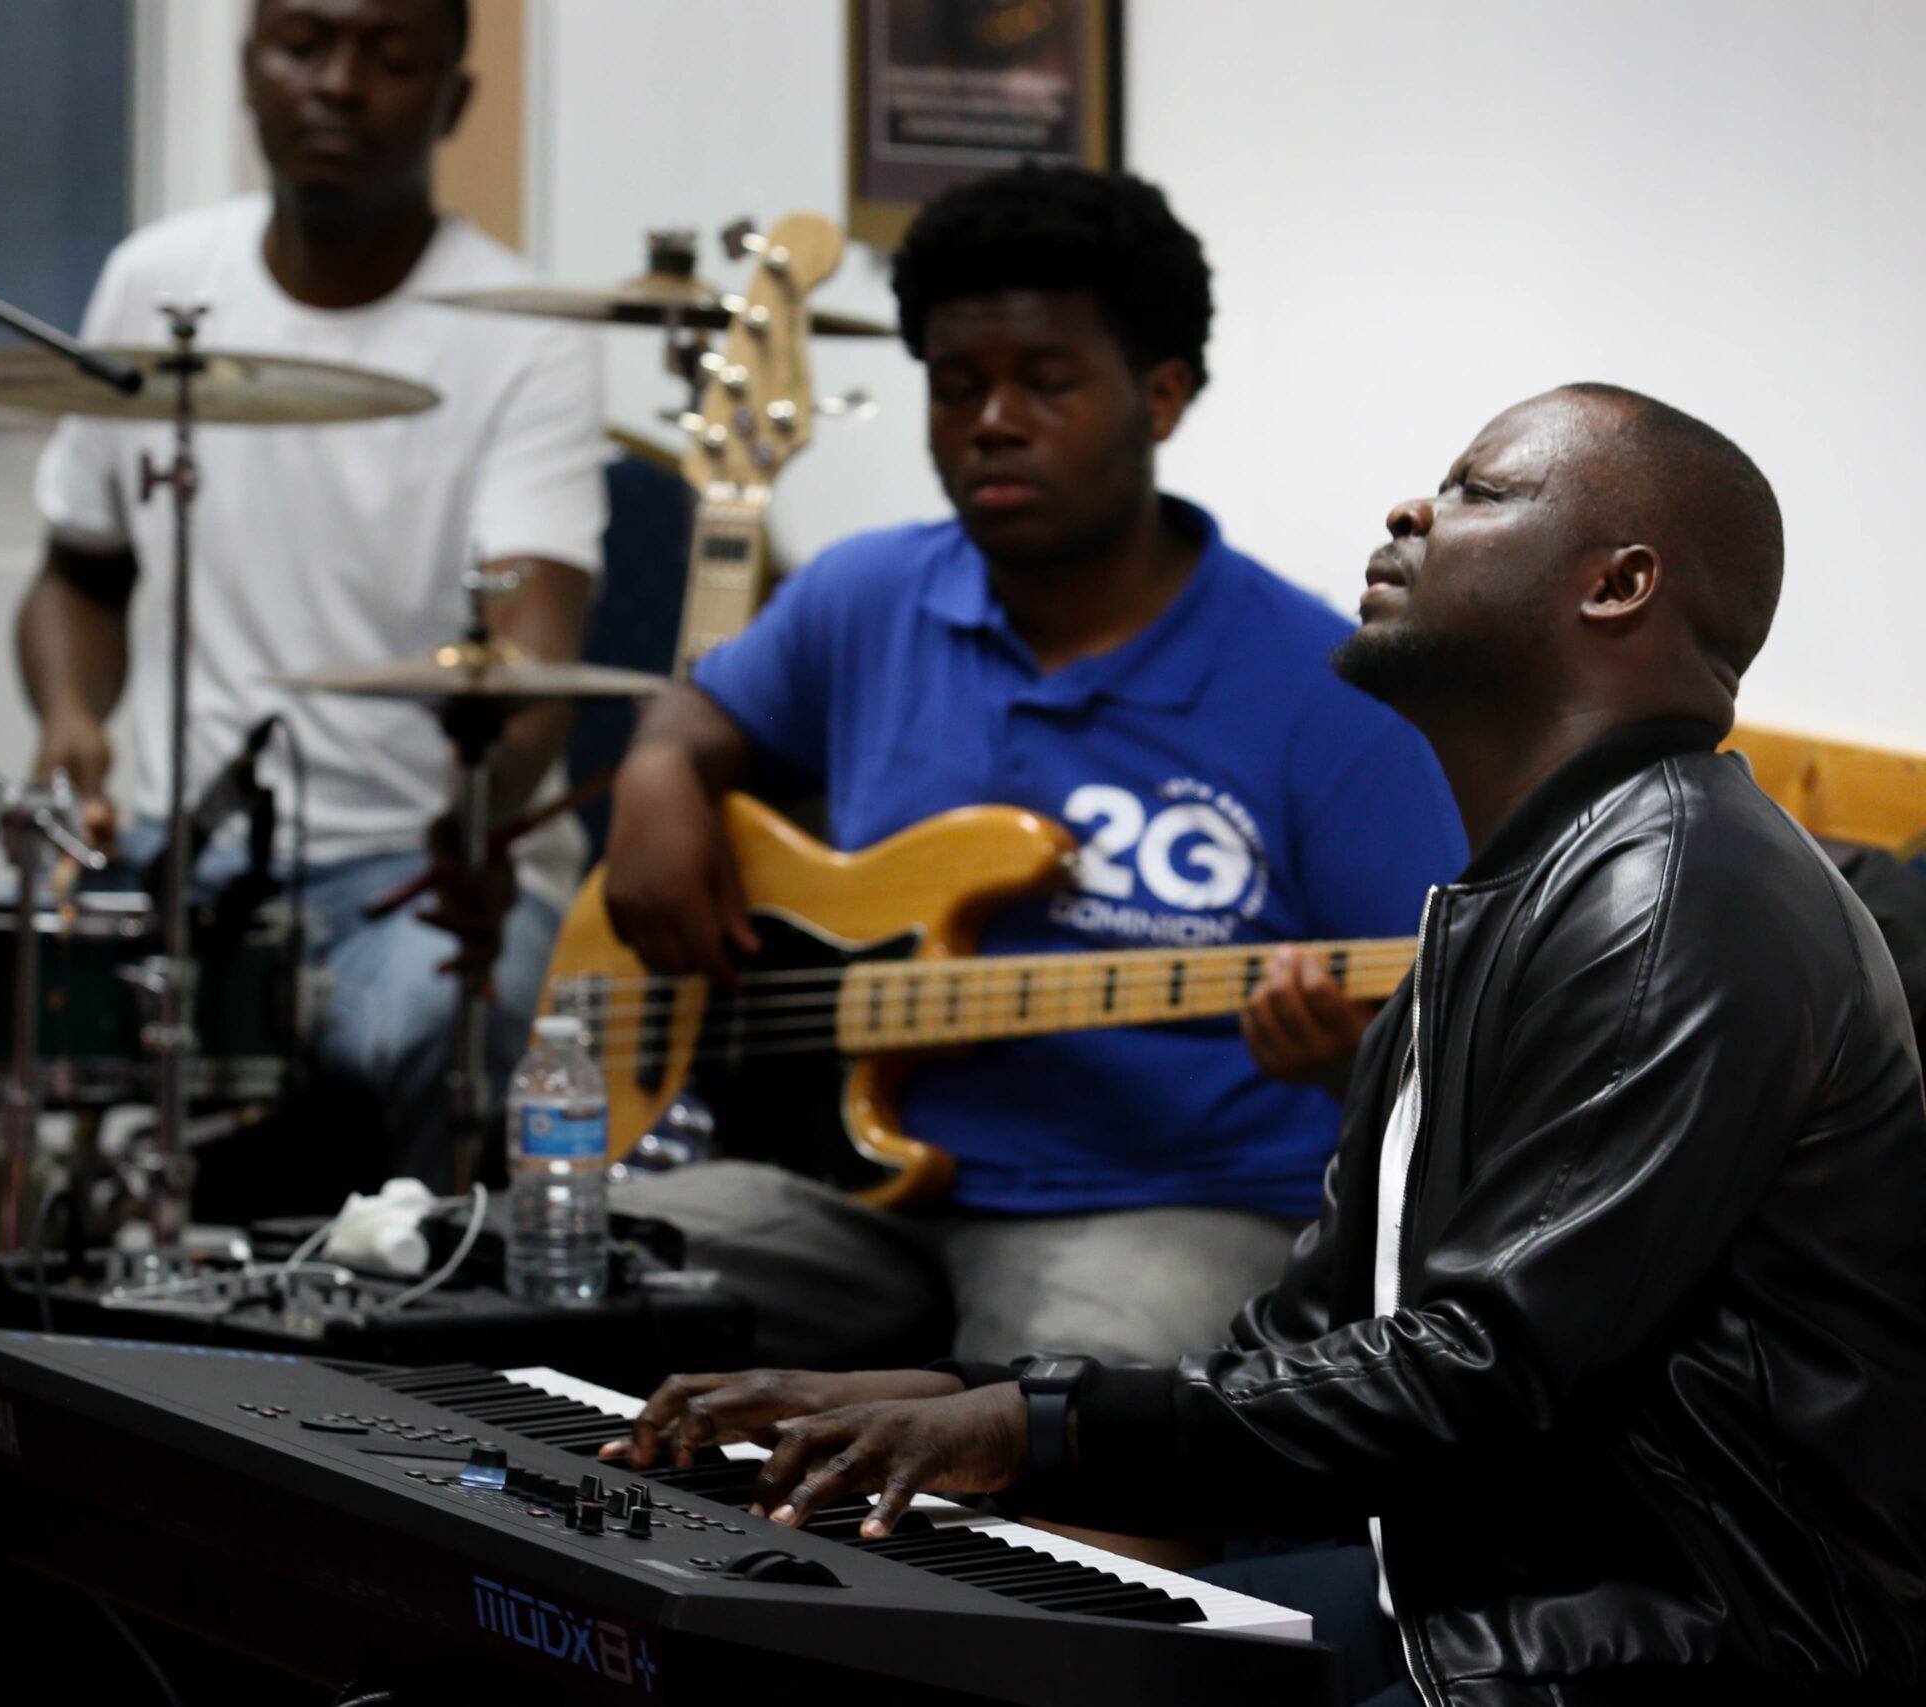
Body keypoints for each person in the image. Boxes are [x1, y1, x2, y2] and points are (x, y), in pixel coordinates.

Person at [611, 386, 1926, 1705]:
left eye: (1476, 492)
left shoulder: (1674, 897)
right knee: (964, 1640)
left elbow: (1480, 1368)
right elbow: (1309, 1341)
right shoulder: (1506, 898)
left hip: (1738, 1636)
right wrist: (955, 1410)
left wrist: (1026, 1427)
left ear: (1616, 585)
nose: (1410, 509)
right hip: (1504, 1583)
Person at [602, 166, 1467, 1367]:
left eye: (1046, 382)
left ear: (1161, 396)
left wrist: (1348, 1068)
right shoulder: (863, 597)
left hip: (1172, 1205)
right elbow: (698, 718)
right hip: (845, 1185)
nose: (992, 422)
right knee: (505, 1284)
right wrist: (655, 777)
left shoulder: (1332, 695)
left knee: (1074, 1423)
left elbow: (1447, 1042)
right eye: (956, 386)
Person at [18, 0, 606, 1189]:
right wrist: (71, 719)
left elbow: (531, 661)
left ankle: (437, 1303)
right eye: (302, 46)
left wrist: (477, 812)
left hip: (409, 871)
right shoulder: (158, 282)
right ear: (248, 69)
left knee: (438, 1027)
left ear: (454, 98)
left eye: (391, 59)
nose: (338, 85)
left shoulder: (523, 334)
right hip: (186, 853)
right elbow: (78, 574)